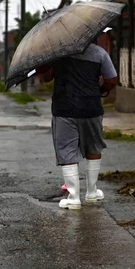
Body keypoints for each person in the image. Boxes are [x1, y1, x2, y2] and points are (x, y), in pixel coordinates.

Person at [37, 38, 118, 210]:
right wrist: (102, 89)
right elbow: (112, 80)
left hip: (64, 109)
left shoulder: (58, 54)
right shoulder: (99, 53)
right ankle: (91, 192)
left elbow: (45, 78)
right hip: (91, 108)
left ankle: (73, 198)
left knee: (67, 150)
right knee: (94, 148)